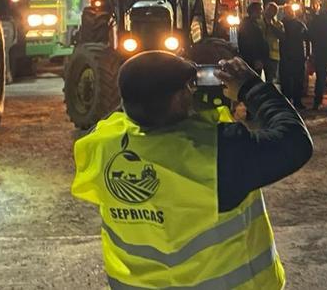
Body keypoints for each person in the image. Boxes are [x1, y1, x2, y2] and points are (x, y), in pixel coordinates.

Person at [72, 52, 312, 290]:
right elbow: (295, 142)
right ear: (178, 99)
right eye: (189, 87)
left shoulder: (101, 147)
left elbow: (126, 113)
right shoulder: (217, 153)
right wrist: (251, 88)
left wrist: (145, 91)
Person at [278, 4, 308, 108]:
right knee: (290, 80)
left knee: (294, 80)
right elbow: (307, 38)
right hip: (291, 56)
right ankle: (292, 101)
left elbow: (307, 39)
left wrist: (307, 54)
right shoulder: (283, 25)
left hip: (293, 56)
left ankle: (293, 101)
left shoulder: (295, 24)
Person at [237, 2, 269, 76]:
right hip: (253, 61)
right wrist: (256, 59)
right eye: (260, 10)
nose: (261, 12)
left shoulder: (253, 24)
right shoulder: (248, 25)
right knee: (253, 78)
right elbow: (250, 44)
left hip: (255, 60)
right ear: (254, 11)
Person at [261, 2, 283, 84]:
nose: (269, 12)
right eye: (268, 9)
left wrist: (271, 25)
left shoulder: (278, 24)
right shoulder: (259, 22)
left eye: (272, 10)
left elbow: (281, 36)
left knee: (270, 80)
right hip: (260, 54)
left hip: (273, 56)